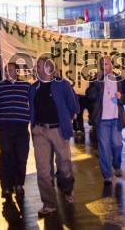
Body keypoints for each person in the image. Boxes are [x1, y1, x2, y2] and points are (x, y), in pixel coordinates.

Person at [28, 56, 79, 217]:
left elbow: (73, 105)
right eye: (36, 66)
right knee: (42, 170)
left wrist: (70, 117)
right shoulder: (34, 88)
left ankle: (67, 189)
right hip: (40, 131)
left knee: (64, 166)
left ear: (49, 68)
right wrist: (34, 125)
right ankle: (49, 203)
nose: (36, 68)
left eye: (39, 66)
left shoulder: (62, 84)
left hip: (59, 130)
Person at [0, 62, 30, 201]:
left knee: (21, 157)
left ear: (17, 71)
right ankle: (6, 187)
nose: (8, 72)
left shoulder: (26, 87)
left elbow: (34, 105)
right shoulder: (0, 87)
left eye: (10, 70)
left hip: (21, 128)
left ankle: (18, 184)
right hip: (4, 128)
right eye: (6, 70)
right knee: (6, 157)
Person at [86, 55, 125, 184]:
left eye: (106, 64)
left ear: (112, 65)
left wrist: (121, 96)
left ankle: (117, 165)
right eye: (102, 64)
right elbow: (89, 95)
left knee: (117, 144)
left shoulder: (120, 80)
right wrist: (97, 81)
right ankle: (107, 174)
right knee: (104, 148)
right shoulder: (97, 79)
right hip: (102, 120)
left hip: (116, 119)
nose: (104, 66)